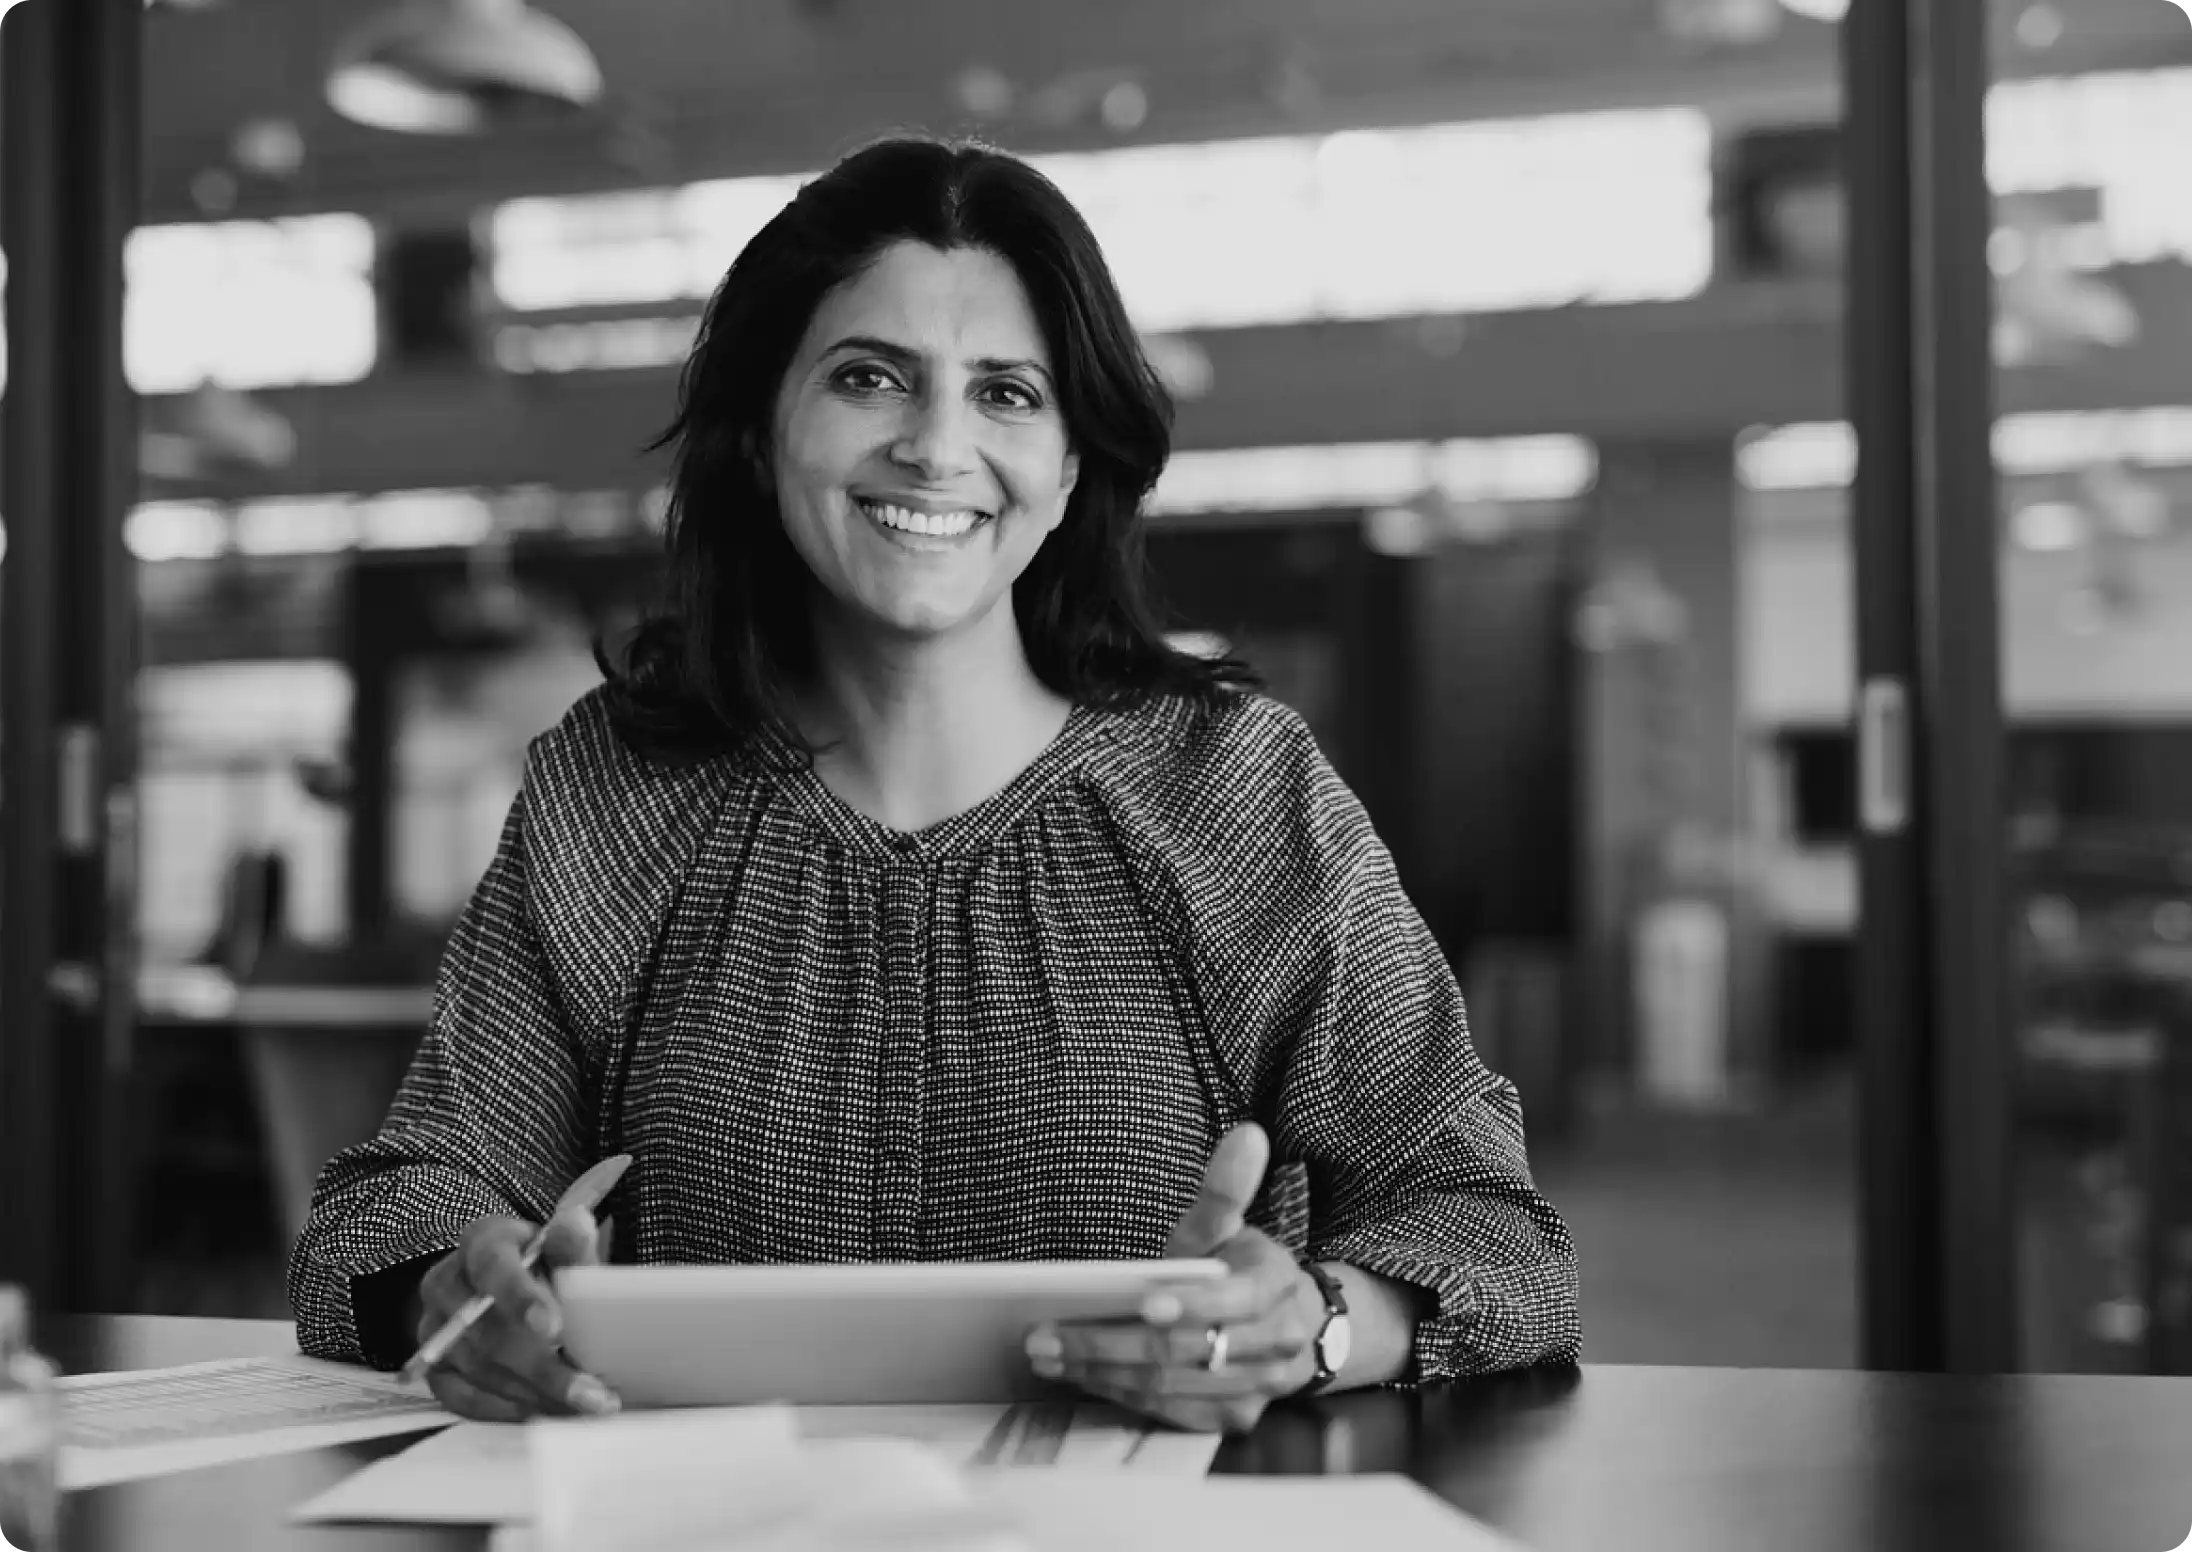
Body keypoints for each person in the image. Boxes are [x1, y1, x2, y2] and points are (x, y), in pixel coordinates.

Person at [291, 136, 1580, 1435]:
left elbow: (1498, 1235)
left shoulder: (1233, 792)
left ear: (1072, 466)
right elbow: (385, 1212)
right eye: (869, 378)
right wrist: (452, 1299)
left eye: (1008, 394)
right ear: (759, 430)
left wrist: (1316, 1324)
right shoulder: (618, 792)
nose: (936, 446)